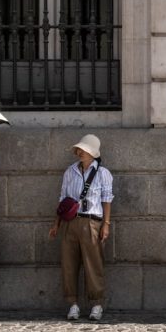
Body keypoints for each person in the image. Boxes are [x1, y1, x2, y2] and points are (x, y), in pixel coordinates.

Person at [48, 134, 114, 321]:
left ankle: (96, 304)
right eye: (79, 149)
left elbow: (107, 200)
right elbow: (63, 199)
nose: (80, 152)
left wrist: (106, 225)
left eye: (84, 150)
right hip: (70, 222)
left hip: (92, 222)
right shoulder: (70, 171)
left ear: (93, 153)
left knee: (94, 264)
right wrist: (56, 224)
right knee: (69, 264)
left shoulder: (103, 173)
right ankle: (73, 304)